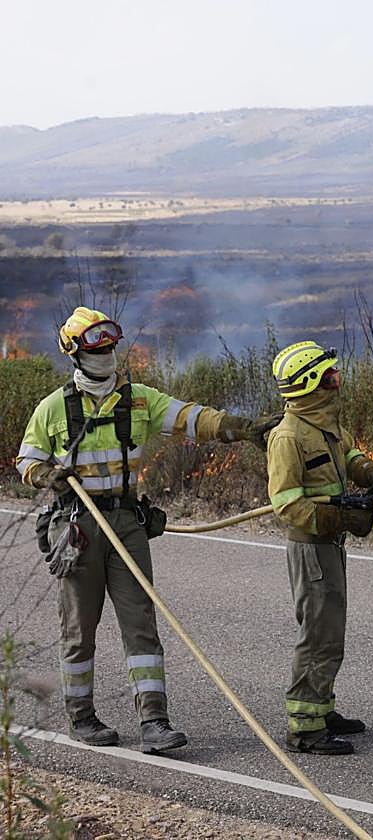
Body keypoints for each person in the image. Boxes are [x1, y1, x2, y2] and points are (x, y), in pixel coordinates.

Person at [15, 306, 279, 753]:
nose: (107, 352)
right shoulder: (53, 407)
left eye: (111, 343)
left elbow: (194, 418)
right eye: (97, 345)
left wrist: (243, 428)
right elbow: (26, 459)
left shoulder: (140, 399)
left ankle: (154, 721)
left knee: (141, 624)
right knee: (80, 627)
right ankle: (82, 717)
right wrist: (45, 475)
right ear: (75, 352)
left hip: (125, 524)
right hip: (78, 526)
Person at [266, 340, 373, 755]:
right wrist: (342, 518)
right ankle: (305, 729)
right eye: (329, 376)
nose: (337, 381)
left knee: (331, 632)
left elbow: (347, 452)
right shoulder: (288, 437)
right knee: (318, 635)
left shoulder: (323, 423)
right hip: (311, 549)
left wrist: (369, 470)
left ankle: (321, 709)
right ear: (310, 384)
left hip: (330, 547)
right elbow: (287, 505)